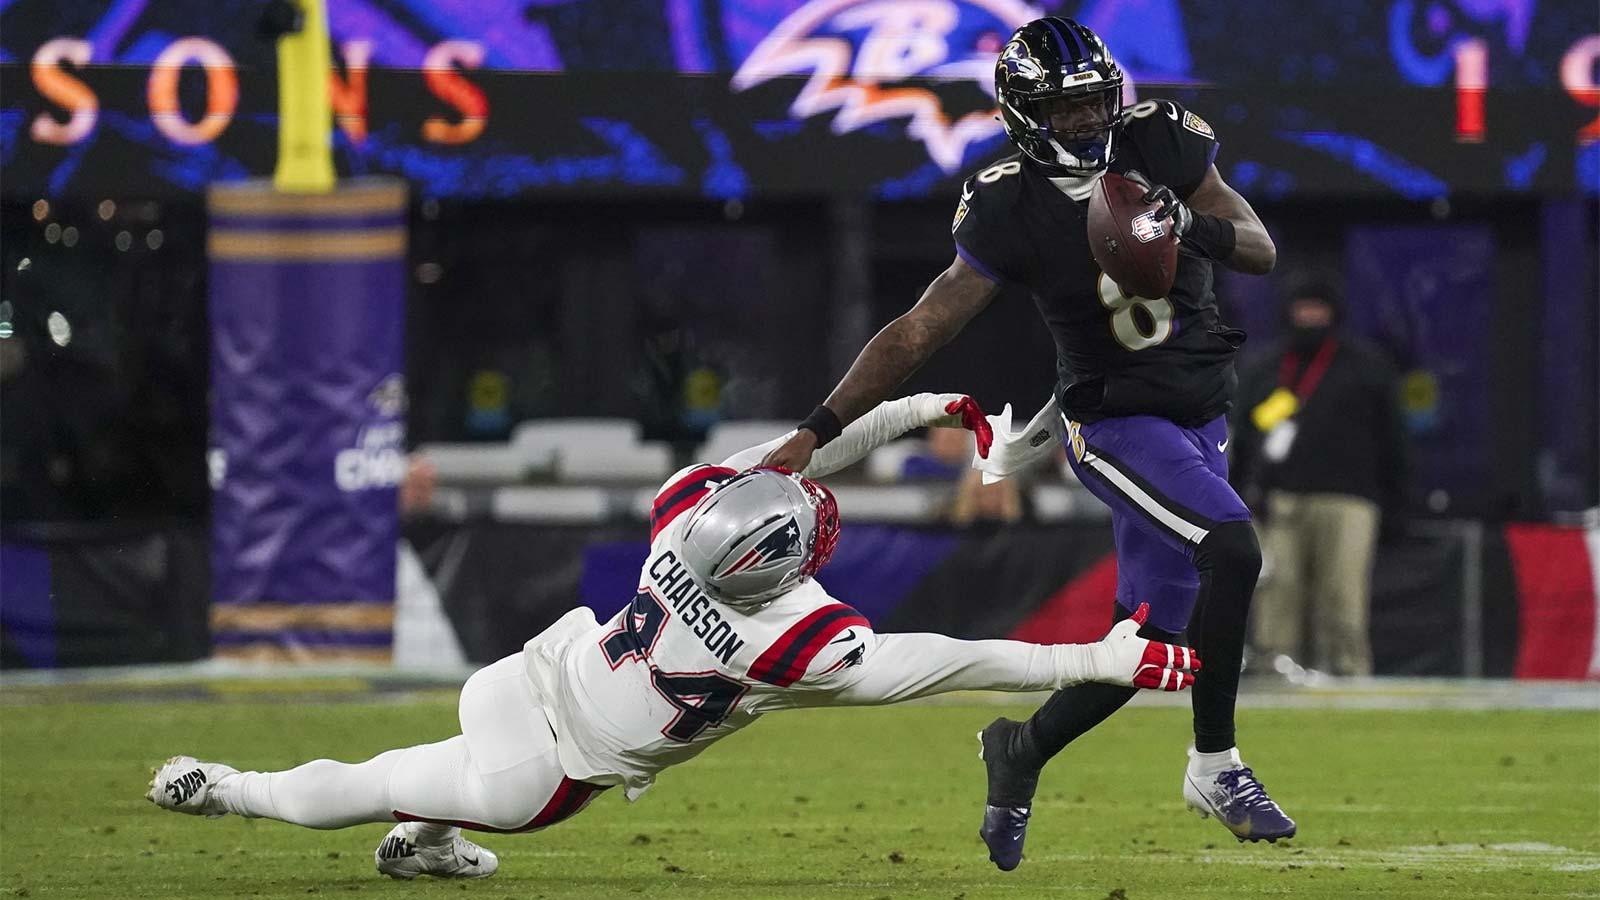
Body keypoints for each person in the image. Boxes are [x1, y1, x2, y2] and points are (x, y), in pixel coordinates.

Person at [147, 392, 1201, 881]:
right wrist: (1104, 657)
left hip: (519, 677)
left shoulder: (686, 509)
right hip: (546, 771)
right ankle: (230, 787)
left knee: (408, 773)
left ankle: (412, 841)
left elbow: (804, 446)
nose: (811, 513)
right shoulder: (786, 641)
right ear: (779, 568)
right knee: (390, 782)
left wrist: (924, 407)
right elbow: (961, 661)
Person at [760, 16, 1290, 868]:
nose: (1084, 121)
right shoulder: (1009, 200)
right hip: (1114, 419)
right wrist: (819, 428)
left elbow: (1260, 249)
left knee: (1151, 645)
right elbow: (921, 328)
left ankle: (1020, 750)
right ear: (1021, 112)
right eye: (1063, 108)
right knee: (1232, 550)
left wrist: (1192, 228)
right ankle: (1216, 763)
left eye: (1090, 103)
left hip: (1202, 413)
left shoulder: (1163, 139)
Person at [1229, 280, 1407, 677]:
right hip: (1277, 502)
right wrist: (1238, 497)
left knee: (1343, 596)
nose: (1310, 317)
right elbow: (1240, 438)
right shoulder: (1265, 366)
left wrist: (1395, 504)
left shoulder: (1367, 366)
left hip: (1350, 501)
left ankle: (1347, 675)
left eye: (1318, 309)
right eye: (1303, 308)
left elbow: (1393, 441)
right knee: (1277, 595)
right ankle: (1276, 672)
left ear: (1333, 314)